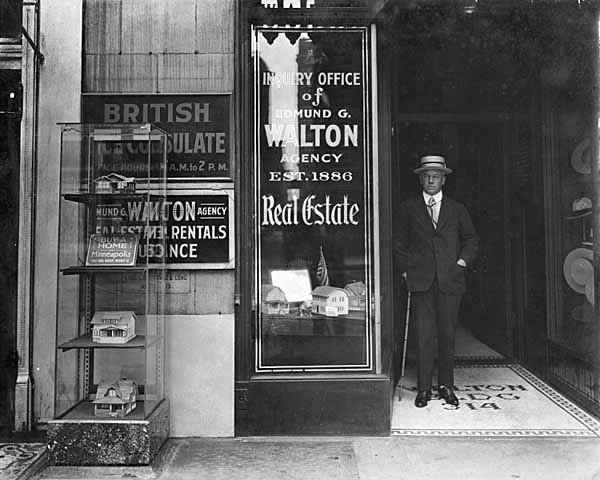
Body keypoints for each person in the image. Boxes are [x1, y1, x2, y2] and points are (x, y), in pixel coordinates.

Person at [394, 155, 479, 408]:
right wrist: (406, 271)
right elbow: (398, 243)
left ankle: (446, 386)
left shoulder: (457, 209)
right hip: (420, 281)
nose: (431, 180)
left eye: (436, 176)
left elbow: (471, 240)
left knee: (447, 335)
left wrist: (461, 263)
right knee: (424, 336)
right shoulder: (408, 208)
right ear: (421, 178)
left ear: (443, 179)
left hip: (450, 281)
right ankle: (423, 389)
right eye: (426, 176)